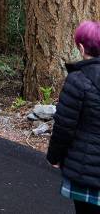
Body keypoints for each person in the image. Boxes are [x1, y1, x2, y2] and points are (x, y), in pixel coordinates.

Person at [47, 20, 100, 213]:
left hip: (86, 170)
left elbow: (64, 126)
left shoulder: (77, 80)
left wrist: (54, 156)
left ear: (81, 46)